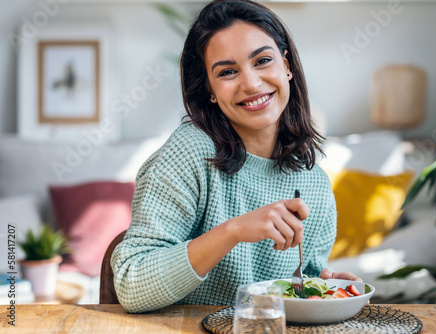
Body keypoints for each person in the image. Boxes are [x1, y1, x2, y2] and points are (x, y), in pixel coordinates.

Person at [111, 0, 361, 314]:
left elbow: (300, 280)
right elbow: (131, 285)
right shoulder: (189, 154)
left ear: (286, 66)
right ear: (211, 91)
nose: (251, 84)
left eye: (263, 61)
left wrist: (320, 286)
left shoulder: (315, 185)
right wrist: (233, 231)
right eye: (228, 72)